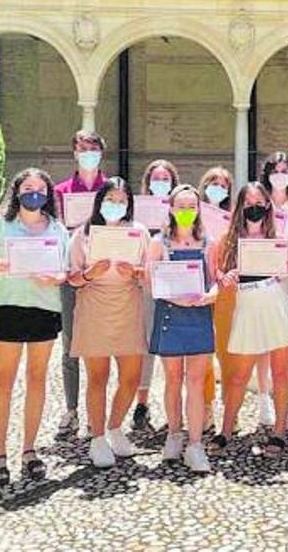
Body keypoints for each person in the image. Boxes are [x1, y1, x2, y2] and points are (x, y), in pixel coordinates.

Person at [0, 168, 69, 485]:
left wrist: (54, 277)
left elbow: (64, 272)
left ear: (48, 194)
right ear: (16, 191)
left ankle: (29, 450)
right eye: (28, 187)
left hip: (44, 308)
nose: (34, 193)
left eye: (40, 188)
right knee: (4, 379)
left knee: (37, 378)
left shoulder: (57, 228)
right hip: (9, 306)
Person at [208, 182, 288, 457]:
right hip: (247, 306)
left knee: (281, 374)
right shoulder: (228, 238)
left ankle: (278, 433)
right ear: (241, 206)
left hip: (274, 303)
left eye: (260, 203)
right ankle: (226, 430)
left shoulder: (276, 234)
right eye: (249, 204)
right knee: (239, 376)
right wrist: (223, 277)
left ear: (267, 206)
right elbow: (217, 270)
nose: (255, 209)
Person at [65, 178, 147, 468]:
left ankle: (115, 426)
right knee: (97, 377)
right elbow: (71, 278)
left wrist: (136, 272)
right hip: (93, 306)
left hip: (128, 306)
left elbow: (149, 272)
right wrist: (90, 273)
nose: (116, 205)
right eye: (110, 199)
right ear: (99, 202)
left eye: (121, 200)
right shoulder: (81, 235)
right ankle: (98, 437)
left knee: (131, 377)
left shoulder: (138, 232)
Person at [146, 185, 218, 473]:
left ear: (199, 209)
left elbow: (215, 281)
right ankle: (174, 435)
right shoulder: (158, 243)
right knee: (173, 379)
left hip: (199, 316)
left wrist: (209, 296)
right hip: (170, 315)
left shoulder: (208, 243)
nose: (186, 211)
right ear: (171, 209)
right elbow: (151, 281)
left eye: (192, 206)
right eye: (181, 206)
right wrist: (173, 296)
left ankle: (196, 444)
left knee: (196, 382)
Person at [51, 130, 108, 441]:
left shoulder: (110, 189)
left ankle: (97, 414)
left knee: (101, 347)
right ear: (74, 152)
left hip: (104, 279)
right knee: (71, 344)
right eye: (82, 148)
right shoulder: (60, 192)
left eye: (93, 148)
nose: (88, 153)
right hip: (73, 274)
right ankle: (72, 409)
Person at [133, 159, 181, 431]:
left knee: (175, 348)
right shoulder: (138, 214)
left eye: (166, 179)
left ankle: (175, 411)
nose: (160, 183)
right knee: (147, 342)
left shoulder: (181, 210)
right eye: (156, 178)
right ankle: (142, 403)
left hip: (176, 284)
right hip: (148, 285)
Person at [257, 152, 288, 430]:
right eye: (275, 169)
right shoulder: (259, 203)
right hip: (262, 282)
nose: (280, 174)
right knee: (263, 341)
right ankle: (263, 398)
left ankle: (285, 396)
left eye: (285, 170)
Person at [198, 166, 234, 430]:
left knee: (225, 349)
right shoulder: (191, 213)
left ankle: (229, 407)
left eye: (223, 185)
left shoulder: (232, 219)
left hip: (223, 291)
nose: (217, 189)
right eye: (213, 183)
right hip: (196, 288)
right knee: (202, 352)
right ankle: (206, 405)